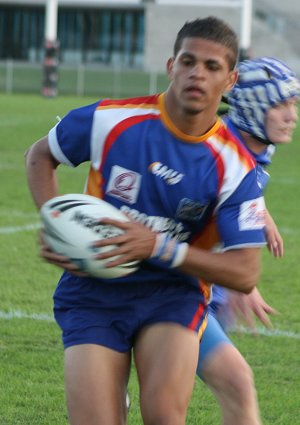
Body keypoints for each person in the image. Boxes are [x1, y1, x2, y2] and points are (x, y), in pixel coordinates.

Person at [26, 17, 267, 425]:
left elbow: (245, 272)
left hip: (172, 292)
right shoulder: (110, 119)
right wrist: (57, 225)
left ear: (230, 81)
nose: (197, 74)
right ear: (171, 65)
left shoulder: (234, 166)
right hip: (94, 290)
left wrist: (157, 246)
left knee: (163, 416)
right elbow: (39, 156)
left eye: (212, 67)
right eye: (188, 61)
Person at [196, 56, 300, 425]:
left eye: (294, 105)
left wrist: (264, 215)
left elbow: (245, 187)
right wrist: (240, 280)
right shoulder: (217, 156)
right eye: (282, 105)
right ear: (255, 107)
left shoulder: (256, 146)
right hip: (175, 293)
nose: (293, 116)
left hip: (202, 289)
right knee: (236, 382)